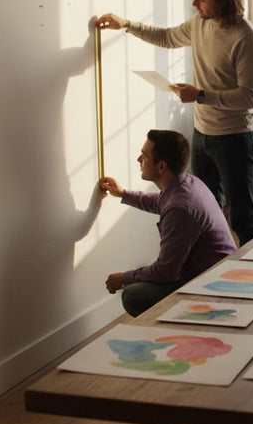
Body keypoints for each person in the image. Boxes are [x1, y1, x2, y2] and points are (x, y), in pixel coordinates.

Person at [95, 0, 253, 245]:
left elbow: (248, 97)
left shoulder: (246, 37)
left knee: (242, 217)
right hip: (202, 133)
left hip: (236, 138)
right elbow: (167, 37)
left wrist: (200, 95)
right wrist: (126, 24)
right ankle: (215, 272)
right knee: (204, 210)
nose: (194, 3)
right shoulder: (199, 23)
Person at [99, 129, 237, 317]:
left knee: (133, 295)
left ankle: (189, 323)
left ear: (161, 166)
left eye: (145, 156)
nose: (139, 160)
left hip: (213, 281)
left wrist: (124, 278)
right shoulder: (186, 182)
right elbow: (159, 201)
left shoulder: (180, 208)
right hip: (221, 269)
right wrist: (122, 193)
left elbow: (165, 272)